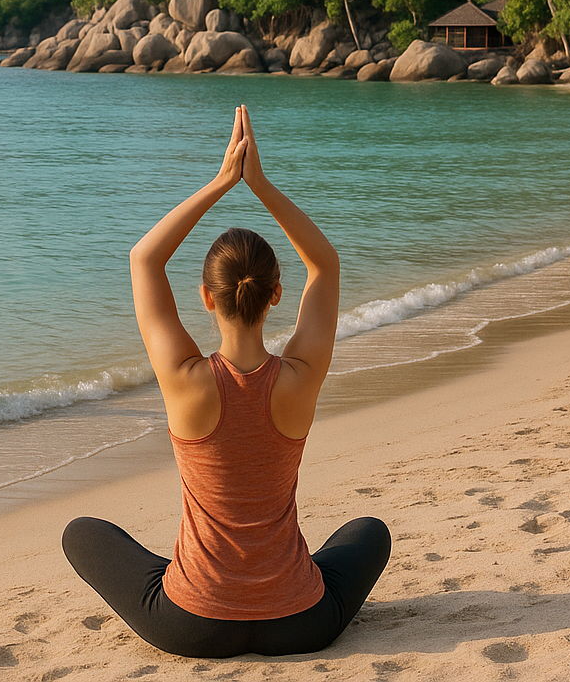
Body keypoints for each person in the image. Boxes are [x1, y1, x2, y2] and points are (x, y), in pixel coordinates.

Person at [62, 106, 390, 658]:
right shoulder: (299, 378)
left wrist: (222, 182)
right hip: (301, 622)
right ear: (276, 296)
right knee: (371, 530)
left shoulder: (186, 381)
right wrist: (260, 185)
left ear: (206, 298)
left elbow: (145, 260)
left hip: (194, 624)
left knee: (80, 531)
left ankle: (204, 574)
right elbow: (326, 265)